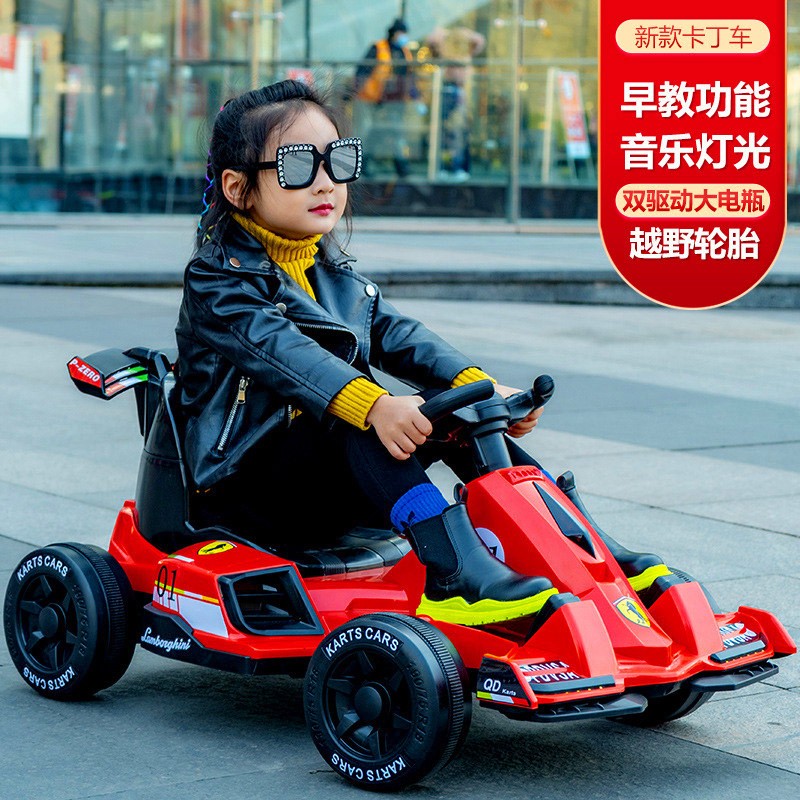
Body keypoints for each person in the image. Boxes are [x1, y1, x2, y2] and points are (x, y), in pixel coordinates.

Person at [176, 80, 668, 628]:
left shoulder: (333, 275)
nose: (326, 181)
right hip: (245, 493)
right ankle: (452, 570)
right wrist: (373, 405)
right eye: (297, 165)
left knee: (455, 414)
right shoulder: (217, 282)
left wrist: (481, 391)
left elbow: (404, 338)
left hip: (322, 484)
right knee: (361, 419)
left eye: (338, 160)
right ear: (238, 188)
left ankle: (581, 547)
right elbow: (284, 353)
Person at [353, 18, 424, 177]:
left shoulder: (404, 52)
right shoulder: (378, 48)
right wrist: (353, 92)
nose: (404, 36)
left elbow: (409, 77)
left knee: (390, 132)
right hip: (372, 100)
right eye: (402, 33)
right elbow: (362, 71)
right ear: (394, 33)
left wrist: (416, 97)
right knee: (373, 131)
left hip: (394, 102)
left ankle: (399, 167)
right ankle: (392, 167)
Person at [426, 25, 486, 180]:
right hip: (447, 91)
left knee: (459, 132)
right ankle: (444, 167)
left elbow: (479, 40)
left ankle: (459, 167)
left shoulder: (467, 51)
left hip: (461, 93)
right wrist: (449, 34)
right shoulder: (445, 50)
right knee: (444, 133)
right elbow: (432, 39)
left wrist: (463, 33)